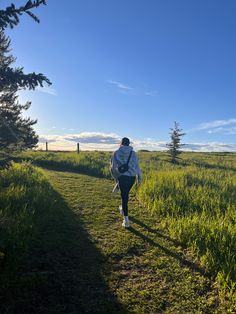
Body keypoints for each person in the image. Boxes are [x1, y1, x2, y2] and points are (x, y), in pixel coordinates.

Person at [110, 137, 142, 228]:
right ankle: (123, 210)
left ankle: (126, 220)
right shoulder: (133, 153)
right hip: (132, 177)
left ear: (121, 143)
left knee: (124, 198)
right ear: (129, 144)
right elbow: (137, 167)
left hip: (122, 178)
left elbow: (112, 168)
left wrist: (116, 177)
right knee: (125, 195)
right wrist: (139, 178)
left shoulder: (116, 153)